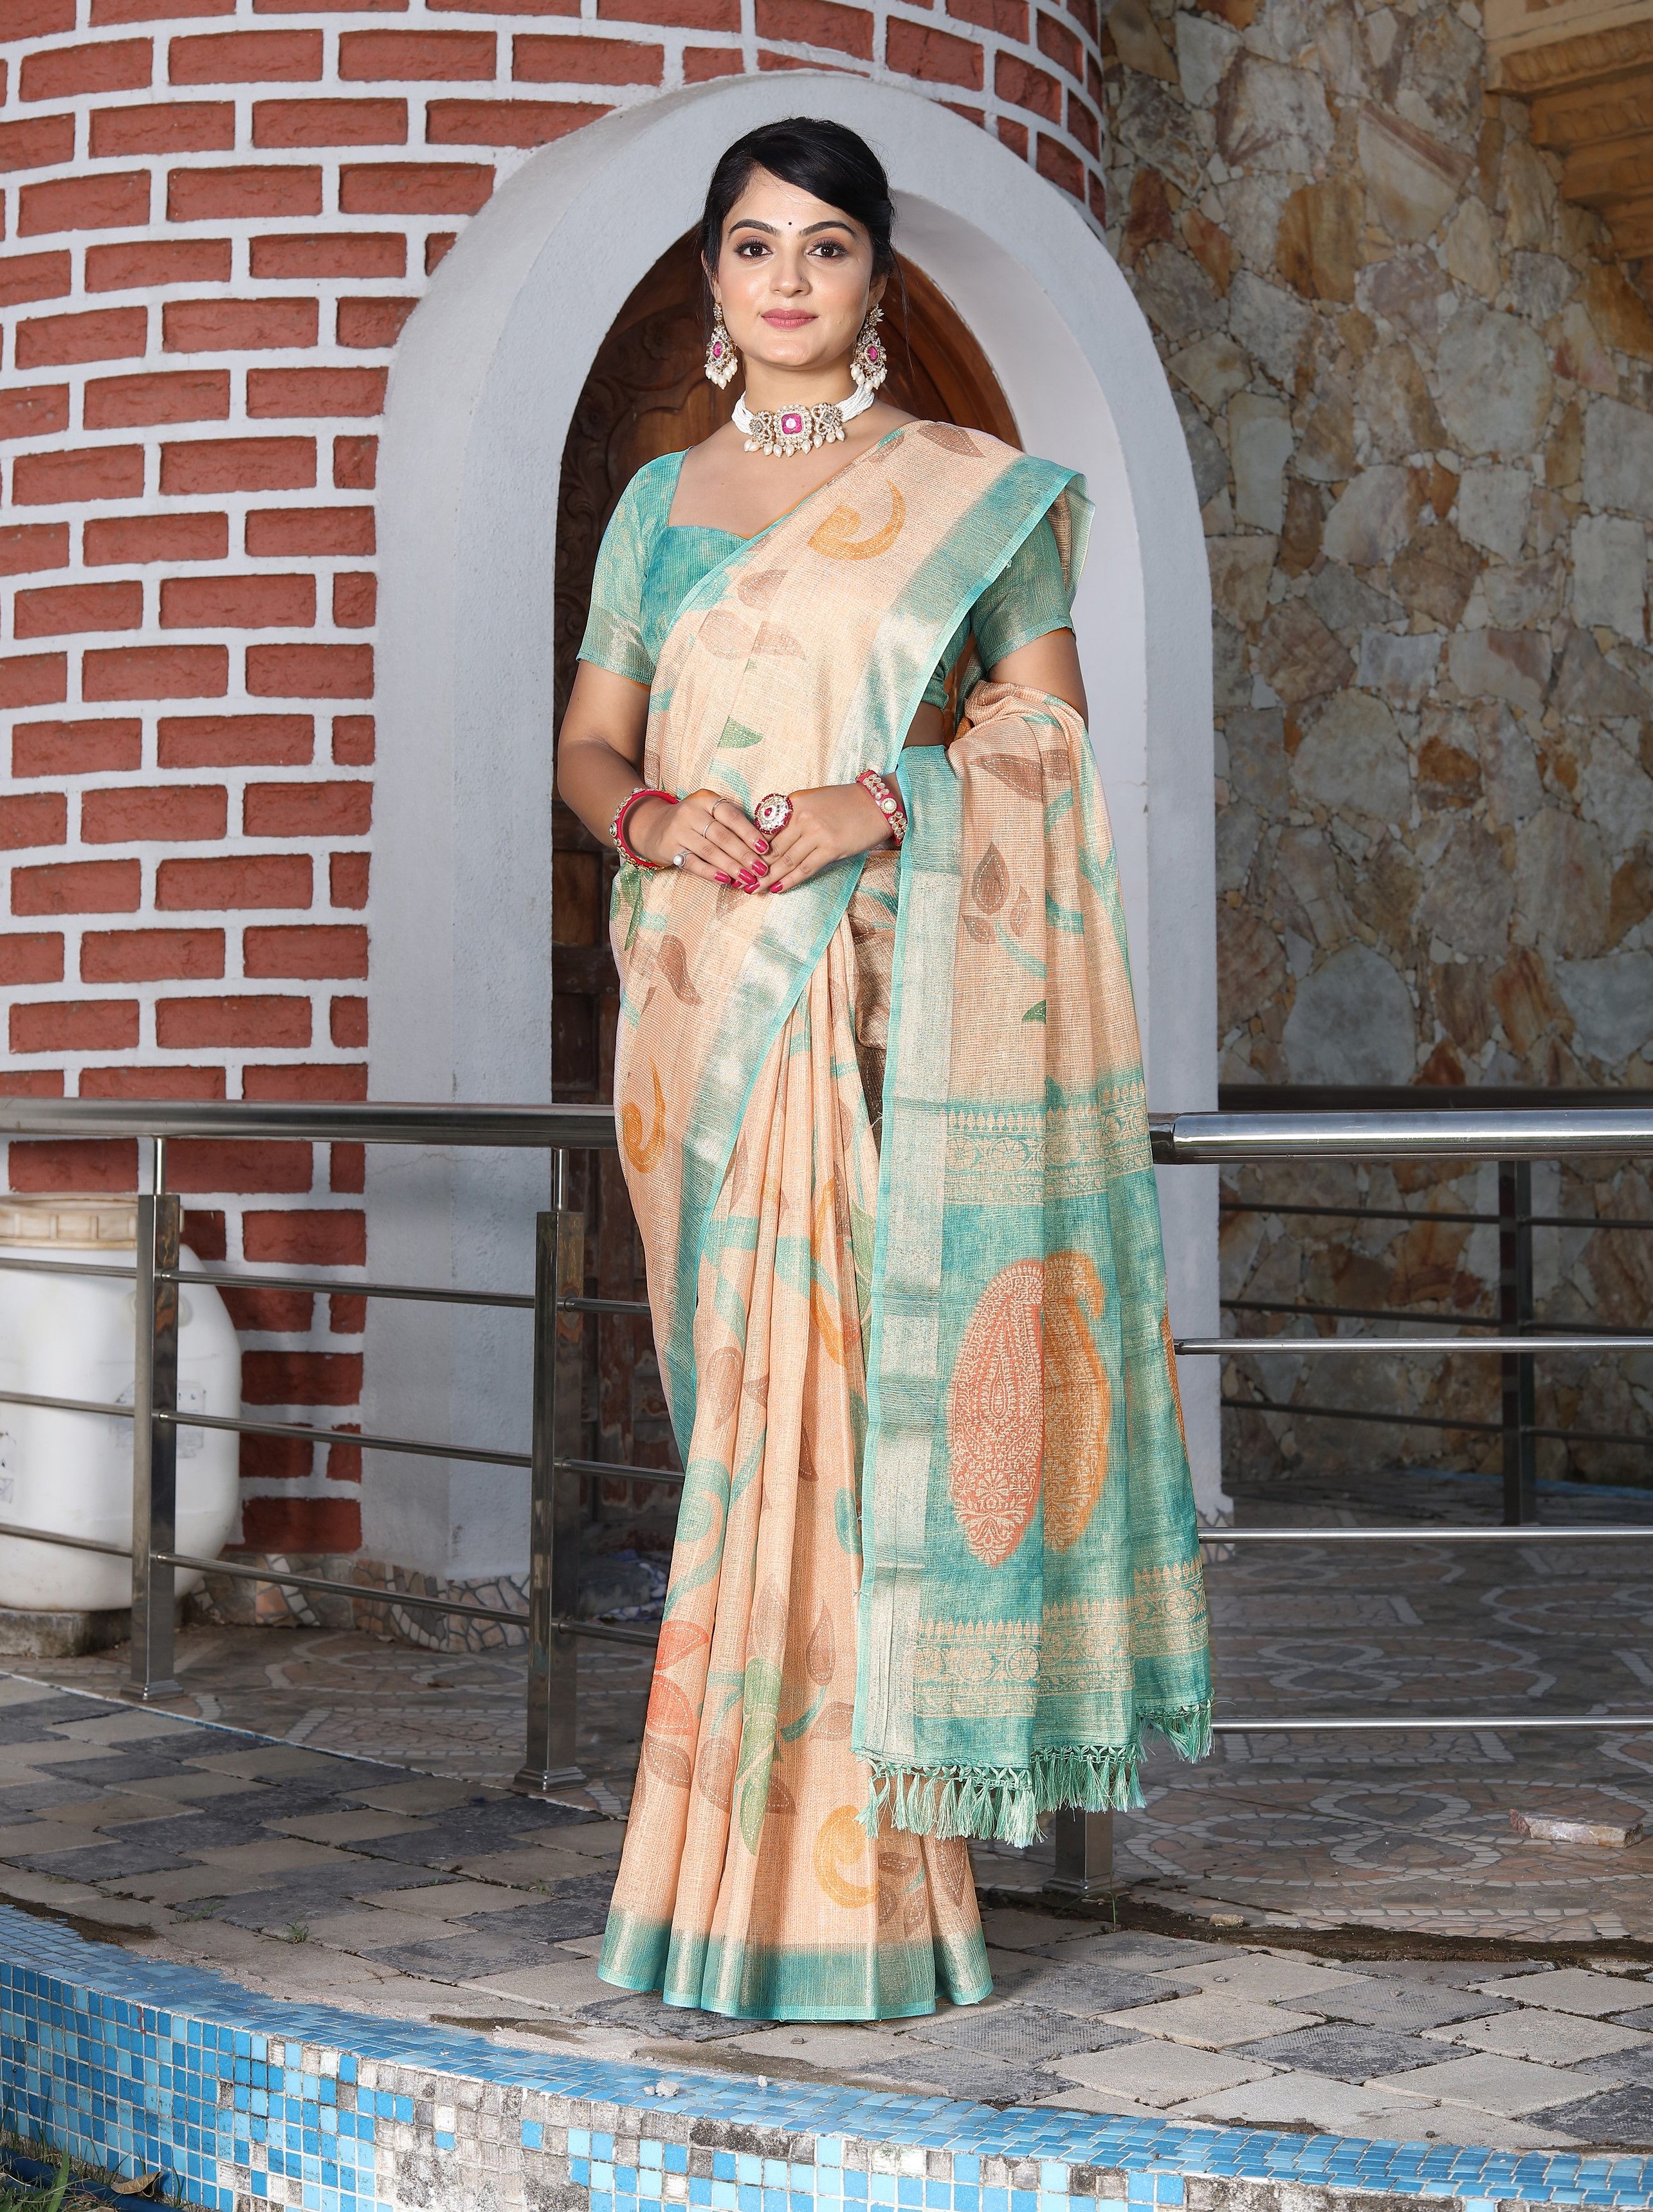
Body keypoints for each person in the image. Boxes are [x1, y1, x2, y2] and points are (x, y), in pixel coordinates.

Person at [556, 116, 1211, 2024]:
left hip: (863, 1022)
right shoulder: (657, 506)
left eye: (827, 246)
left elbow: (1048, 742)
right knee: (744, 1445)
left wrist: (883, 800)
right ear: (711, 281)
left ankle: (862, 1899)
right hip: (698, 1022)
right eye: (755, 245)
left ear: (876, 282)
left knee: (854, 1441)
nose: (789, 279)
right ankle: (723, 1880)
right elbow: (588, 745)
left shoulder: (964, 493)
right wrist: (646, 819)